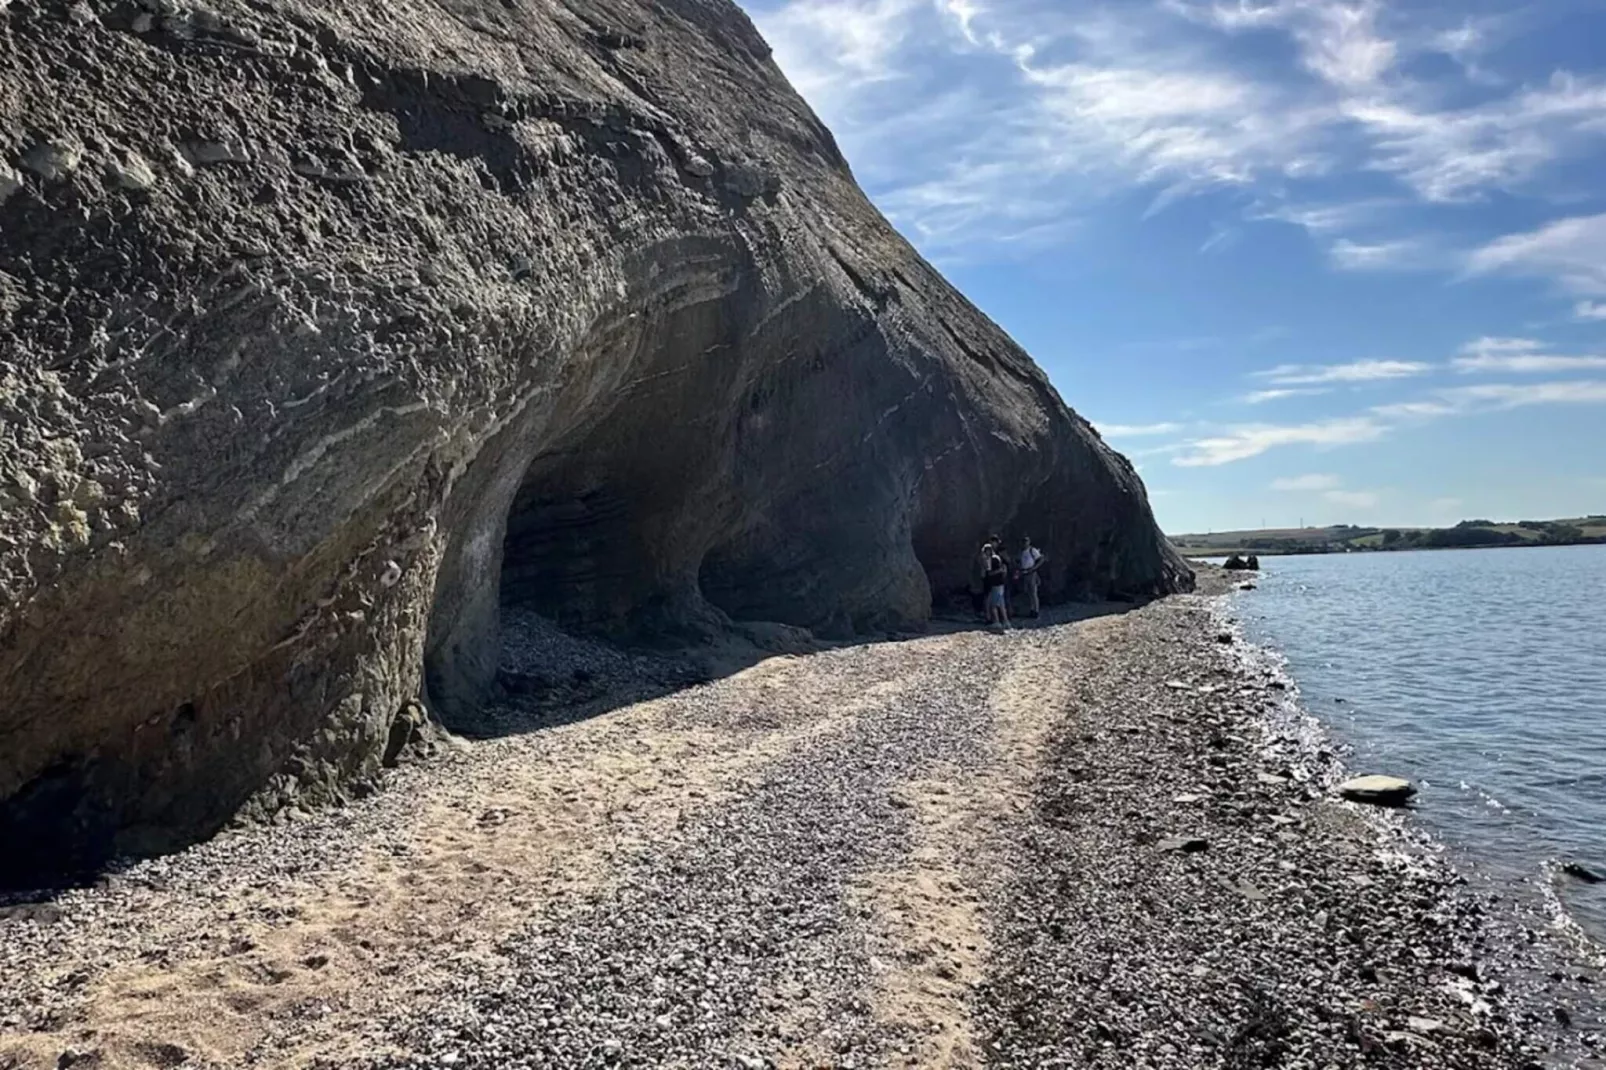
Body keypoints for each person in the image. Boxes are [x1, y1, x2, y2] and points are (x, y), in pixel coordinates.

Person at [984, 546, 1010, 630]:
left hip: (996, 585)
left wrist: (991, 573)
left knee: (994, 604)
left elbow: (992, 572)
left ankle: (997, 622)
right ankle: (1006, 622)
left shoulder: (992, 560)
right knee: (1001, 604)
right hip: (1000, 584)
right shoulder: (997, 558)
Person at [1017, 536, 1044, 618]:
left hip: (1031, 572)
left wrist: (1034, 568)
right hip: (1024, 572)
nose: (1025, 543)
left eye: (1026, 541)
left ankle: (1036, 610)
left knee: (1034, 592)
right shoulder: (1021, 552)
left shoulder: (1032, 550)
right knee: (1028, 593)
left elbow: (1041, 559)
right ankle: (1032, 609)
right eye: (1023, 541)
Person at [970, 540, 993, 619]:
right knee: (985, 596)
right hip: (985, 578)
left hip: (989, 577)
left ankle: (987, 612)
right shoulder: (982, 558)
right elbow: (985, 568)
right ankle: (986, 613)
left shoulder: (991, 558)